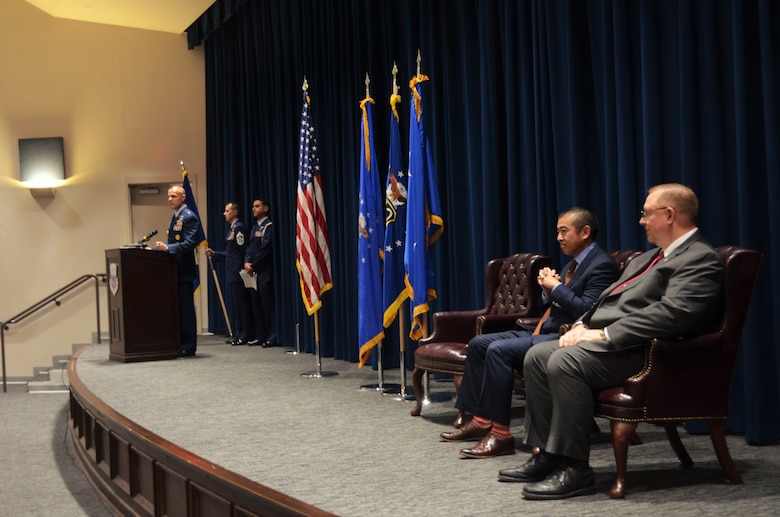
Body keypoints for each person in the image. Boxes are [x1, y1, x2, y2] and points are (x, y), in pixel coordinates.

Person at [500, 183, 724, 500]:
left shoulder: (700, 258)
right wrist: (579, 326)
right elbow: (606, 303)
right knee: (536, 356)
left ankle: (577, 469)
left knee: (563, 361)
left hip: (649, 352)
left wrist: (603, 333)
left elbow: (674, 314)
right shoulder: (647, 258)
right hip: (616, 345)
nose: (641, 220)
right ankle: (549, 454)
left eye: (646, 214)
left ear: (670, 214)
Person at [440, 207, 620, 458]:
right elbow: (555, 305)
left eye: (564, 231)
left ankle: (501, 434)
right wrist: (548, 292)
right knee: (480, 343)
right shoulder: (574, 264)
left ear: (585, 232)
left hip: (565, 336)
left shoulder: (602, 266)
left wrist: (555, 287)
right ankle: (481, 420)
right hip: (540, 330)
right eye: (557, 231)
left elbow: (588, 311)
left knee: (498, 350)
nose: (558, 237)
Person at [153, 185, 200, 358]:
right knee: (179, 309)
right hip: (175, 271)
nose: (170, 199)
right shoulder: (175, 217)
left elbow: (189, 243)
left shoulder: (189, 217)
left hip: (184, 271)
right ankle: (180, 342)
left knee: (186, 310)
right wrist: (157, 248)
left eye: (173, 196)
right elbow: (172, 241)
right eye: (169, 196)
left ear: (183, 197)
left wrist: (169, 247)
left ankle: (189, 346)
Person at [206, 202, 253, 346]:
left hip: (238, 271)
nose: (224, 213)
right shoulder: (231, 229)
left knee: (242, 305)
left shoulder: (239, 228)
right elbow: (230, 253)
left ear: (234, 212)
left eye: (227, 211)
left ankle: (245, 334)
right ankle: (239, 332)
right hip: (231, 270)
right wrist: (215, 254)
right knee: (237, 305)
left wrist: (242, 266)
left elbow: (242, 249)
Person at [244, 197, 277, 347]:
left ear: (265, 208)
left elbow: (266, 249)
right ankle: (261, 335)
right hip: (252, 272)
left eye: (257, 206)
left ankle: (272, 335)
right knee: (256, 305)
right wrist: (246, 262)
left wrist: (254, 265)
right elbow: (250, 248)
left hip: (264, 271)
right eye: (253, 206)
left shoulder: (268, 226)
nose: (253, 209)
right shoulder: (255, 227)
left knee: (266, 305)